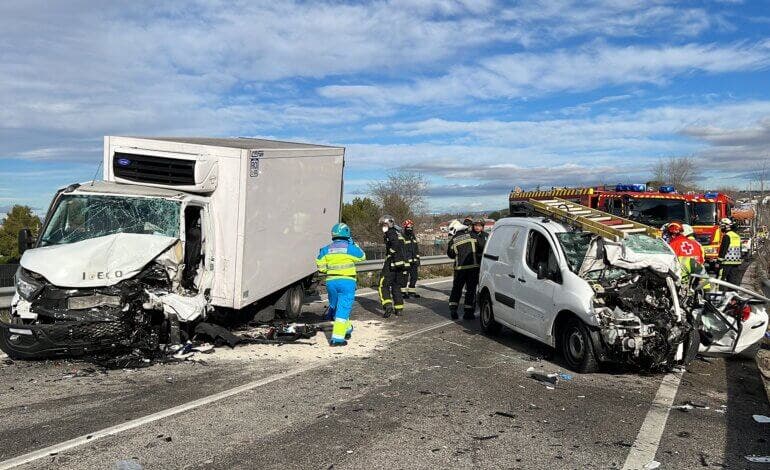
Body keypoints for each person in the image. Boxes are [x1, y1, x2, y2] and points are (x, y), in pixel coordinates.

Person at [316, 223, 366, 346]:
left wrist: (327, 269)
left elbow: (320, 266)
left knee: (338, 306)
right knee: (343, 308)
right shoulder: (349, 248)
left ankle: (347, 328)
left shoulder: (326, 249)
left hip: (331, 282)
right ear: (347, 234)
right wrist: (353, 243)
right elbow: (362, 256)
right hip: (347, 282)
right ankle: (337, 338)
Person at [447, 219, 482, 320]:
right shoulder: (473, 236)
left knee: (456, 289)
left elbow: (451, 254)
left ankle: (453, 309)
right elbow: (482, 246)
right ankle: (468, 313)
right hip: (473, 268)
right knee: (470, 290)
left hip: (459, 269)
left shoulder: (454, 240)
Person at [378, 215, 407, 318]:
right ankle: (399, 309)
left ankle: (387, 305)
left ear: (388, 224)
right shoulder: (399, 233)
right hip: (400, 265)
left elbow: (394, 244)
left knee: (383, 285)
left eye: (383, 225)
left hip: (391, 263)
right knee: (396, 286)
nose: (383, 227)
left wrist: (390, 254)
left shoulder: (390, 232)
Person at [666, 222, 707, 290]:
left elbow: (669, 262)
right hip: (698, 273)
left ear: (672, 235)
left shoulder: (673, 244)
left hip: (682, 274)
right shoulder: (696, 244)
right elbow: (702, 260)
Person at [717, 217, 743, 286]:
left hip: (726, 262)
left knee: (720, 280)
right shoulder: (737, 236)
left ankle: (719, 294)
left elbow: (723, 249)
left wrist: (719, 261)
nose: (721, 228)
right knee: (733, 281)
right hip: (736, 262)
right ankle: (733, 294)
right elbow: (740, 249)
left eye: (722, 226)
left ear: (726, 226)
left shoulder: (727, 236)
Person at [401, 219, 421, 299]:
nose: (410, 228)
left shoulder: (413, 236)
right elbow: (402, 249)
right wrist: (404, 260)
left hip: (414, 261)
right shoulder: (403, 236)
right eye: (408, 226)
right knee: (404, 277)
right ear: (405, 227)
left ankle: (411, 292)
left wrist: (418, 259)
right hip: (406, 261)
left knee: (414, 277)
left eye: (411, 226)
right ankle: (402, 293)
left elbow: (416, 249)